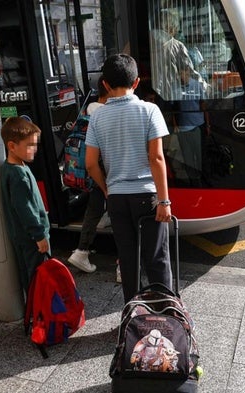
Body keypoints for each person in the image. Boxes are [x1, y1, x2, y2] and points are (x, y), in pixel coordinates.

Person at [85, 53, 173, 303]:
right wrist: (164, 201)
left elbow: (91, 164)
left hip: (117, 199)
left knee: (128, 259)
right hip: (147, 196)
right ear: (136, 83)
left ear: (105, 84)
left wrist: (107, 189)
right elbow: (156, 159)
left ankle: (132, 315)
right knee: (156, 258)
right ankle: (162, 314)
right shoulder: (149, 110)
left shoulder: (98, 116)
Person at [0, 116, 50, 296]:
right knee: (37, 279)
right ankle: (40, 316)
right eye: (30, 145)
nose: (35, 150)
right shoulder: (18, 175)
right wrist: (39, 235)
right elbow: (25, 209)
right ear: (12, 146)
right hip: (31, 240)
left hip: (26, 237)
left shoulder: (13, 167)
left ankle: (38, 313)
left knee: (33, 278)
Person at [68, 76, 111, 274]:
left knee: (94, 210)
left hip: (88, 171)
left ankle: (82, 251)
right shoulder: (107, 113)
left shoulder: (87, 109)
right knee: (115, 213)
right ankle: (123, 266)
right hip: (104, 171)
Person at [174, 64, 206, 187]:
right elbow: (172, 106)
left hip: (197, 125)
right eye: (182, 74)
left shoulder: (197, 85)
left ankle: (201, 181)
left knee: (199, 156)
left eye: (186, 74)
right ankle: (194, 183)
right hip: (182, 128)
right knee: (188, 159)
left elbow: (203, 104)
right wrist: (175, 124)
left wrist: (207, 124)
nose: (184, 76)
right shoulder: (175, 88)